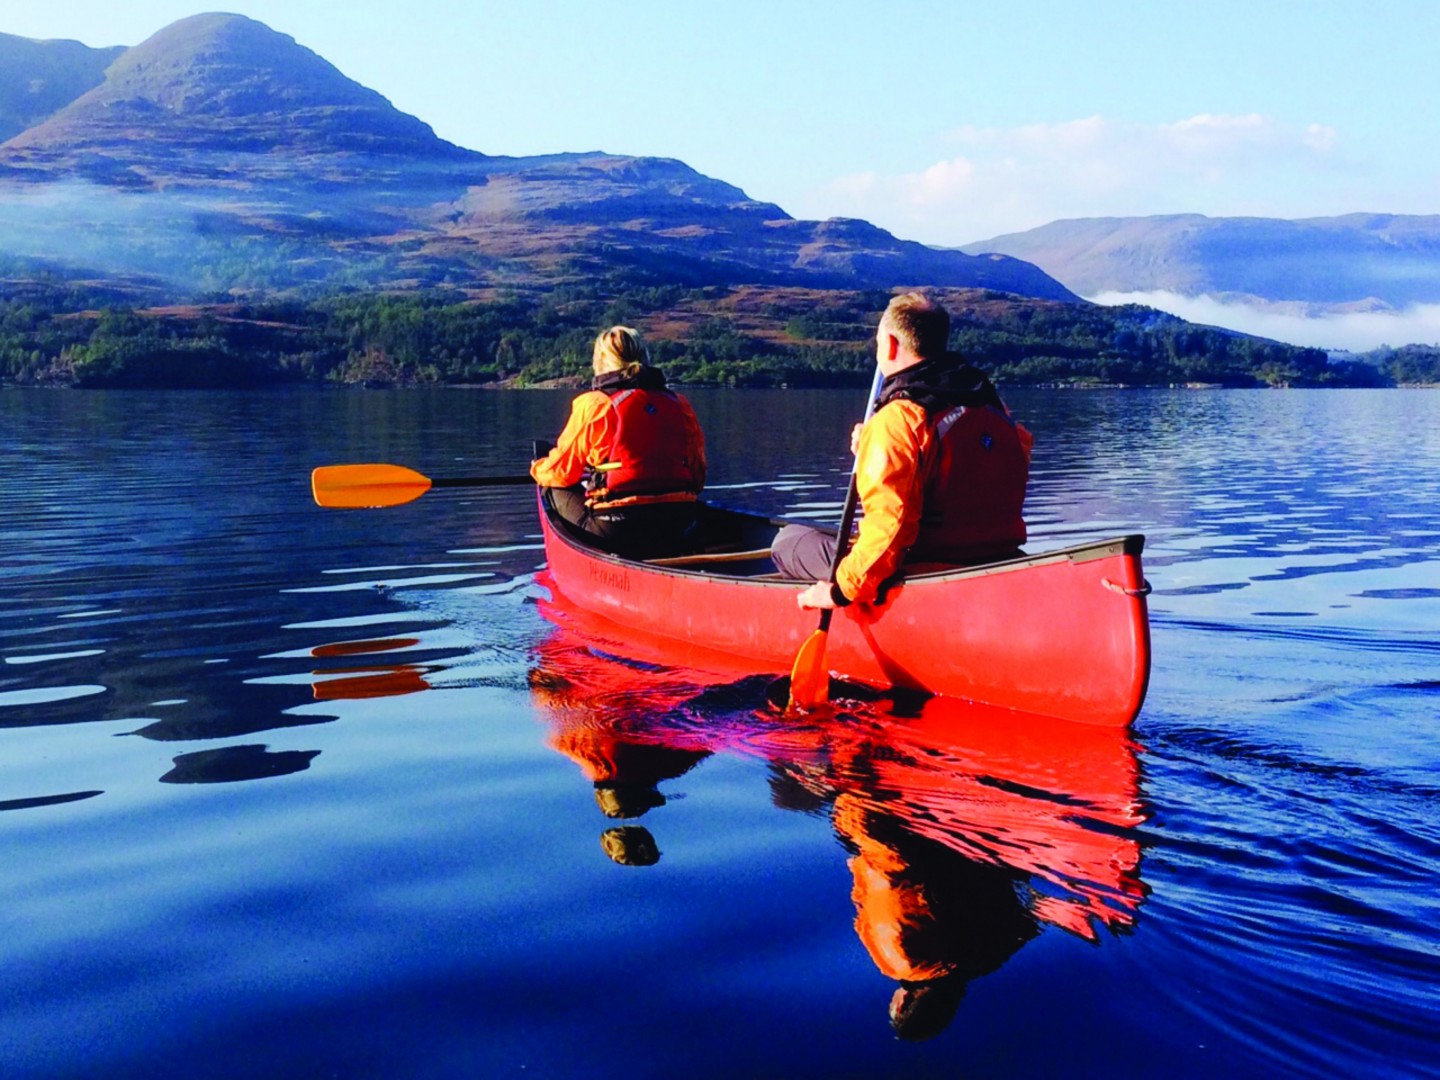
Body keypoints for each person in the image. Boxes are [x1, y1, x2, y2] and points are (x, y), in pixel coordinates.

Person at [772, 292, 1032, 609]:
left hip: (922, 568)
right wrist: (871, 452)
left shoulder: (898, 419)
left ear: (892, 345)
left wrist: (837, 592)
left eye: (878, 342)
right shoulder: (994, 407)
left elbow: (889, 529)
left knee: (788, 541)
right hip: (996, 558)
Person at [531, 326, 707, 558]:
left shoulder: (595, 404)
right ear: (645, 357)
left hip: (616, 529)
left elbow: (563, 472)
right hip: (678, 523)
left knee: (550, 483)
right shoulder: (679, 403)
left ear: (600, 362)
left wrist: (537, 466)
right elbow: (697, 476)